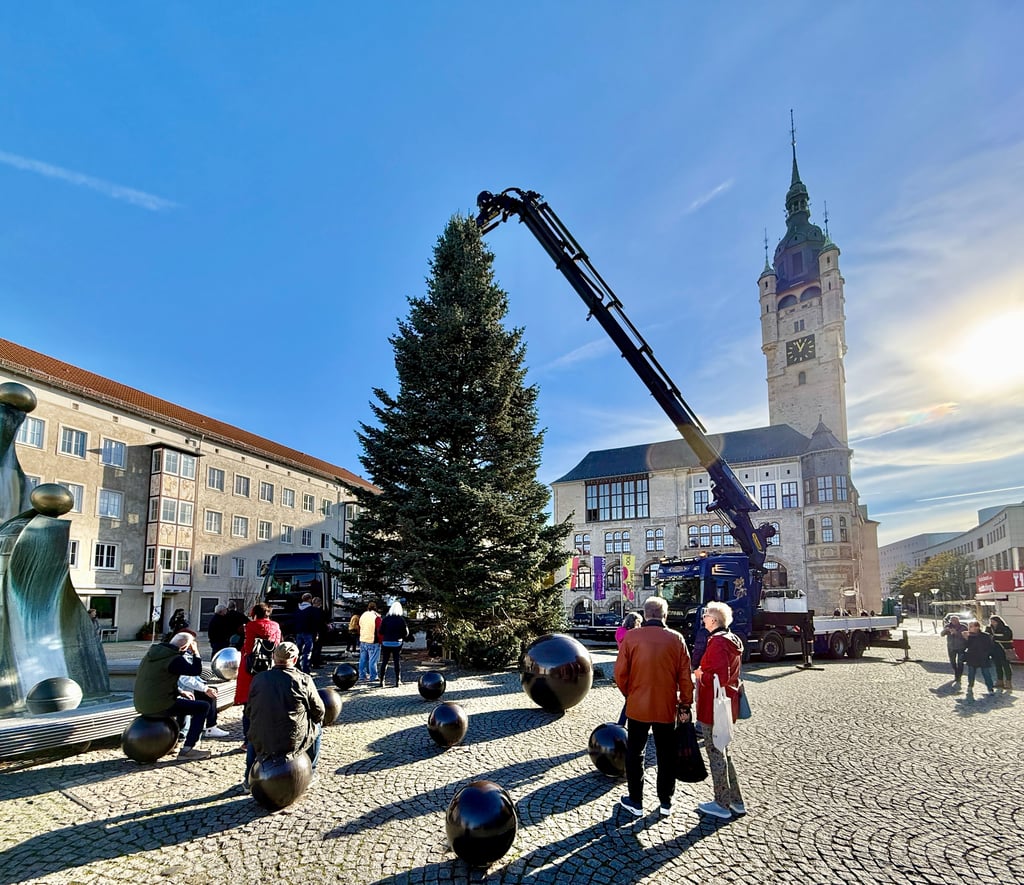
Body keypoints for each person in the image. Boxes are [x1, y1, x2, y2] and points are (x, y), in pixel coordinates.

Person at [613, 596, 693, 818]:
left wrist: (630, 693)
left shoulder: (631, 638)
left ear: (645, 614)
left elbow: (620, 673)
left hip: (638, 705)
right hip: (665, 705)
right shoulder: (676, 639)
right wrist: (685, 702)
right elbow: (685, 676)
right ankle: (666, 801)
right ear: (664, 615)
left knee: (635, 752)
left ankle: (636, 800)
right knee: (666, 754)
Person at [244, 641, 326, 789]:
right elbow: (319, 711)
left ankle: (247, 777)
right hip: (290, 737)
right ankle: (311, 771)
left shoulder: (259, 679)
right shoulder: (303, 680)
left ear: (274, 657)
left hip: (263, 732)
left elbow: (249, 710)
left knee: (254, 734)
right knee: (317, 728)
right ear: (294, 660)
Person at [693, 601, 746, 819]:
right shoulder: (733, 640)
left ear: (714, 620)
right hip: (727, 704)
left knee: (716, 753)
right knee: (725, 752)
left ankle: (722, 803)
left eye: (706, 615)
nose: (703, 618)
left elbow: (717, 677)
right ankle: (736, 800)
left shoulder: (716, 643)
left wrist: (699, 675)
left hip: (712, 705)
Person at [133, 631, 213, 759]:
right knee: (203, 707)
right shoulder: (174, 659)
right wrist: (196, 653)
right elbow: (195, 671)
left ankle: (173, 743)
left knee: (182, 703)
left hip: (141, 703)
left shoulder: (152, 654)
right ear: (185, 647)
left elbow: (162, 679)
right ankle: (188, 748)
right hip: (159, 705)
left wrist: (181, 692)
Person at [234, 603, 282, 748]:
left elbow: (248, 648)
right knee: (267, 703)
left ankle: (248, 740)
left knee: (248, 705)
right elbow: (279, 645)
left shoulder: (251, 626)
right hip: (269, 666)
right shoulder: (275, 626)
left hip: (251, 669)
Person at [614, 611, 641, 726]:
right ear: (635, 622)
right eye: (639, 622)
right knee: (631, 699)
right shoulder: (633, 635)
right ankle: (623, 723)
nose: (640, 625)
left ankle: (622, 722)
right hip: (634, 667)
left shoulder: (620, 632)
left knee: (629, 698)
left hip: (623, 665)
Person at [378, 601, 410, 687]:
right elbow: (406, 633)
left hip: (386, 642)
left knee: (385, 661)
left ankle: (382, 681)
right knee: (396, 661)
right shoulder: (401, 620)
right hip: (397, 643)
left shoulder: (386, 619)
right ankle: (397, 681)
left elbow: (380, 631)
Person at [963, 620, 996, 702]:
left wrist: (988, 655)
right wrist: (965, 638)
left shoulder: (985, 635)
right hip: (972, 657)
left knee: (986, 674)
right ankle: (970, 686)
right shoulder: (969, 636)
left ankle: (990, 689)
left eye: (971, 626)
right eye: (969, 626)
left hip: (983, 657)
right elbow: (965, 646)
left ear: (977, 627)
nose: (969, 628)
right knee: (971, 673)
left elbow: (990, 646)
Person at [987, 615, 1014, 691]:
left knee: (1006, 666)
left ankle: (1008, 682)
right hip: (994, 650)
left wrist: (995, 637)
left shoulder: (1005, 628)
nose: (993, 623)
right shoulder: (989, 628)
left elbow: (1008, 637)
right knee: (997, 666)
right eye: (991, 622)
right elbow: (986, 636)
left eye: (994, 621)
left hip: (1003, 650)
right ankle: (999, 681)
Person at [940, 616, 968, 688]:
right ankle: (956, 672)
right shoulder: (948, 626)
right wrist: (945, 630)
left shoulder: (963, 627)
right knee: (952, 661)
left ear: (958, 620)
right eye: (952, 620)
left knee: (960, 662)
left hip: (961, 647)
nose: (953, 621)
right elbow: (942, 634)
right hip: (951, 647)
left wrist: (956, 633)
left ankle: (959, 676)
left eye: (955, 620)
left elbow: (966, 636)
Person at [358, 602, 381, 685]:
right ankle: (373, 676)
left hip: (363, 639)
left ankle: (362, 676)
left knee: (362, 659)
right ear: (375, 609)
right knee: (373, 660)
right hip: (372, 641)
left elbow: (359, 626)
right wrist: (380, 641)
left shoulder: (363, 615)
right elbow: (379, 630)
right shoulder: (376, 617)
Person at [293, 593, 317, 674]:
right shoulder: (312, 609)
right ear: (310, 599)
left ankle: (297, 667)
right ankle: (306, 670)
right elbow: (314, 622)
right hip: (308, 632)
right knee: (307, 652)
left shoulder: (297, 609)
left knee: (297, 651)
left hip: (298, 632)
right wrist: (316, 633)